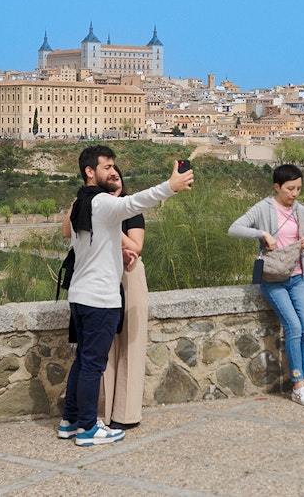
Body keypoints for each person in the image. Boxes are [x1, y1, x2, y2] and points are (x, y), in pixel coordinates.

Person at [58, 146, 193, 446]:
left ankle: (69, 420)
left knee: (82, 359)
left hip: (80, 295)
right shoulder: (103, 203)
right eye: (107, 167)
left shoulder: (81, 201)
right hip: (99, 298)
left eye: (113, 166)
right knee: (93, 364)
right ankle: (88, 428)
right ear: (90, 172)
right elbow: (136, 202)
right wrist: (170, 187)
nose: (112, 171)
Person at [228, 164, 304, 406]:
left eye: (299, 189)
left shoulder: (301, 210)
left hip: (300, 277)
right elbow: (234, 228)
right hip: (274, 278)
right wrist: (262, 234)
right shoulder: (263, 208)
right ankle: (298, 384)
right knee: (293, 326)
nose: (294, 194)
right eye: (290, 188)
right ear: (276, 187)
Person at [100, 166, 149, 428]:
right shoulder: (94, 208)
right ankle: (102, 413)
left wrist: (111, 224)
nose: (114, 183)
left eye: (117, 178)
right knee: (104, 346)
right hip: (102, 274)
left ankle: (126, 414)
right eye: (109, 179)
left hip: (129, 275)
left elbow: (136, 247)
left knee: (131, 342)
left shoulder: (131, 211)